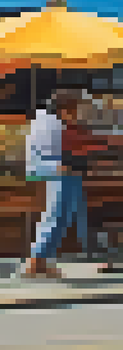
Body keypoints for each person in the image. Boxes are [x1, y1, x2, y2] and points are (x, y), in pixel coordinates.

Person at [24, 91, 120, 279]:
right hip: (57, 170)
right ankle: (36, 262)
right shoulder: (49, 123)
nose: (79, 113)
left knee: (65, 215)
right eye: (77, 108)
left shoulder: (53, 121)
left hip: (63, 169)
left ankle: (42, 261)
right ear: (66, 108)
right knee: (58, 214)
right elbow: (52, 153)